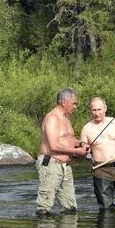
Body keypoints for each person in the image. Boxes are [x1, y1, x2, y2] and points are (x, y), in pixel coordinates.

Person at [36, 87, 88, 217]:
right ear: (64, 102)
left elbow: (68, 138)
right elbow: (54, 145)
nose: (75, 106)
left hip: (65, 167)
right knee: (44, 207)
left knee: (70, 207)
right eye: (74, 103)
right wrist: (77, 151)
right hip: (51, 165)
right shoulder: (52, 118)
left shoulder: (66, 118)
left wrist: (80, 143)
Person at [80, 97, 115, 211]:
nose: (97, 113)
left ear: (105, 108)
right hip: (101, 169)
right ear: (90, 111)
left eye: (99, 109)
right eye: (94, 110)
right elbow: (83, 147)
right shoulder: (87, 128)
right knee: (105, 207)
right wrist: (85, 149)